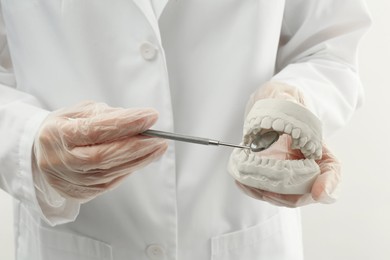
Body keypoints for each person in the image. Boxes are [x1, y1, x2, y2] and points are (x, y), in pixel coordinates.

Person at [0, 1, 371, 260]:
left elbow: (329, 47)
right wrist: (25, 140)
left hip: (241, 235)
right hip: (74, 242)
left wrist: (297, 100)